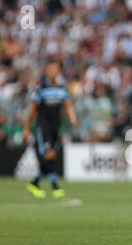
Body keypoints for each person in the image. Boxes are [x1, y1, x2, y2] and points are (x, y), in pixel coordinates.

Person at [22, 59, 77, 198]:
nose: (54, 71)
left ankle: (35, 183)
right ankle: (54, 185)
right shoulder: (40, 89)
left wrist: (72, 117)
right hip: (43, 126)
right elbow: (32, 109)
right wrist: (26, 128)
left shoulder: (61, 89)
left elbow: (67, 105)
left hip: (56, 127)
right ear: (46, 70)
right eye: (51, 68)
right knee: (49, 154)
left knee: (51, 155)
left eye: (56, 69)